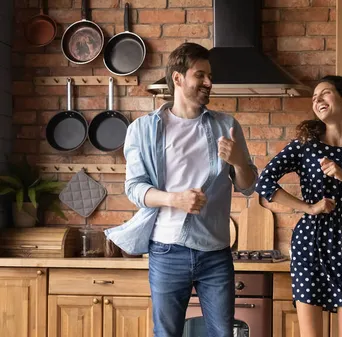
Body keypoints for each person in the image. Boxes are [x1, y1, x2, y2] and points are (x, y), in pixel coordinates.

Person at [104, 42, 258, 337]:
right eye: (200, 75)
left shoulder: (227, 125)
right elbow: (134, 188)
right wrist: (175, 199)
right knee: (167, 333)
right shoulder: (144, 129)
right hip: (166, 250)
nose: (209, 82)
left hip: (215, 252)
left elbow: (249, 186)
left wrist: (239, 162)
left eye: (210, 76)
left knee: (223, 334)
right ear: (177, 78)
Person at [255, 75, 342, 337]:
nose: (317, 100)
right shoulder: (306, 147)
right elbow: (264, 182)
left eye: (324, 93)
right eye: (314, 98)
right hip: (310, 242)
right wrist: (309, 207)